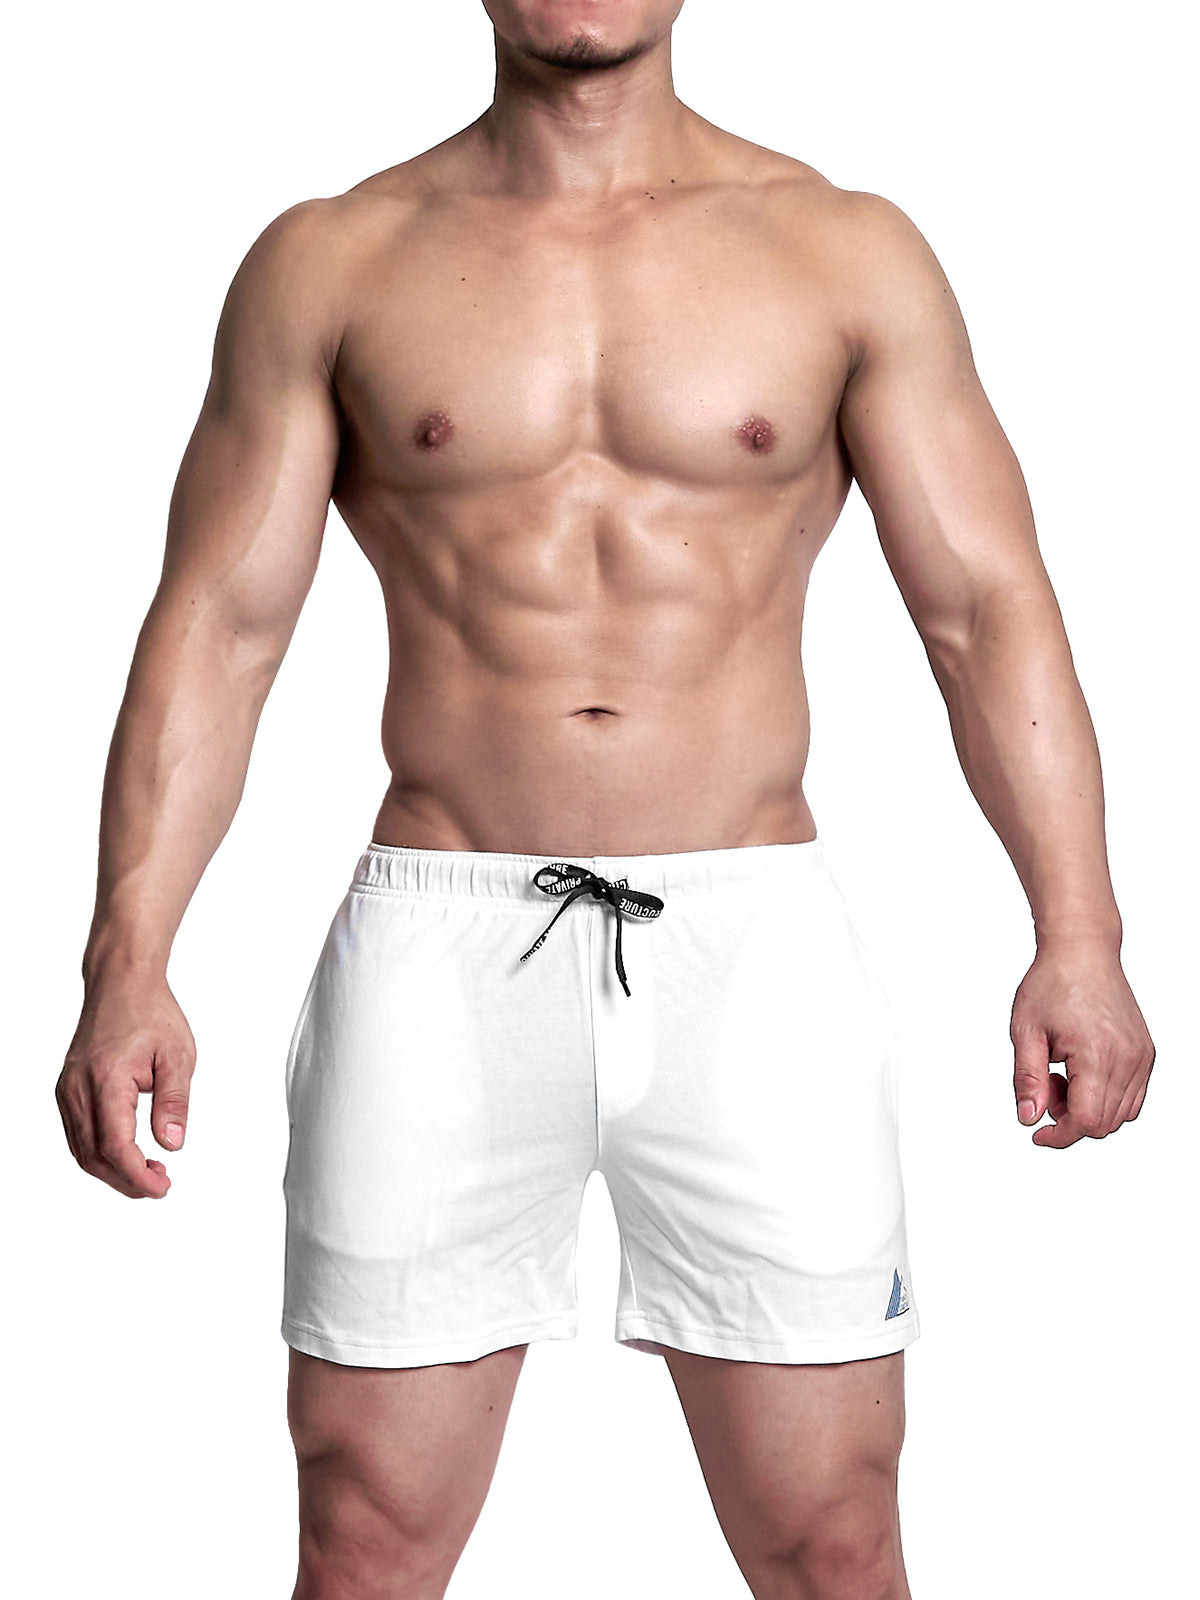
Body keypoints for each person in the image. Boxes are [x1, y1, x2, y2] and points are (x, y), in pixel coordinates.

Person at [55, 2, 1156, 1596]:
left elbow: (984, 611)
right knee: (362, 1536)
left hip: (747, 948)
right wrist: (128, 960)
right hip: (440, 947)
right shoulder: (334, 260)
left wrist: (1082, 934)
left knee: (834, 1539)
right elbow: (222, 627)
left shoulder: (842, 251)